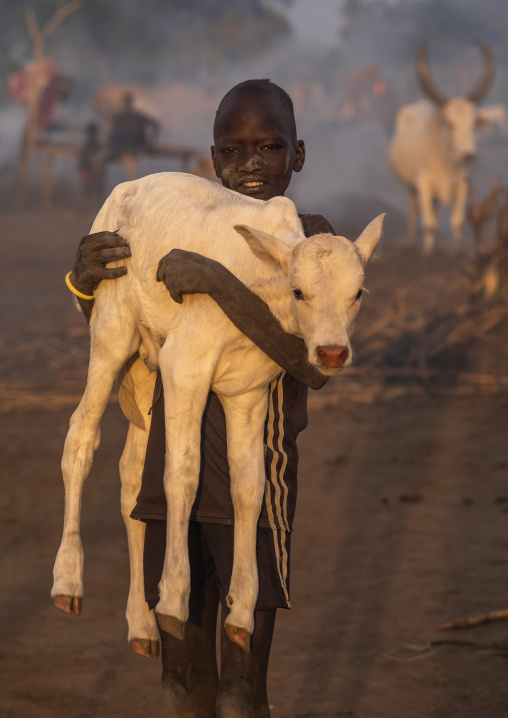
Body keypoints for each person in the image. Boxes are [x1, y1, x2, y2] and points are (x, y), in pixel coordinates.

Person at [67, 79, 335, 718]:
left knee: (241, 693)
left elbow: (312, 364)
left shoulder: (314, 244)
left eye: (269, 148)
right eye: (232, 151)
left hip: (254, 491)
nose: (250, 164)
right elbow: (131, 333)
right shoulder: (186, 230)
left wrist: (215, 279)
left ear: (297, 157)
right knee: (183, 684)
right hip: (169, 486)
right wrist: (86, 282)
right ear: (211, 163)